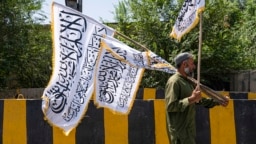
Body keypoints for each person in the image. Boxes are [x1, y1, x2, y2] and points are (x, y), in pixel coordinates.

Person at [165, 52, 229, 144]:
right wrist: (191, 99)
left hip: (188, 131)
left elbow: (197, 100)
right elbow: (171, 106)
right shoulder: (174, 82)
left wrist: (218, 101)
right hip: (179, 134)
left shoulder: (188, 81)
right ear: (184, 64)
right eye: (192, 64)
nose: (194, 67)